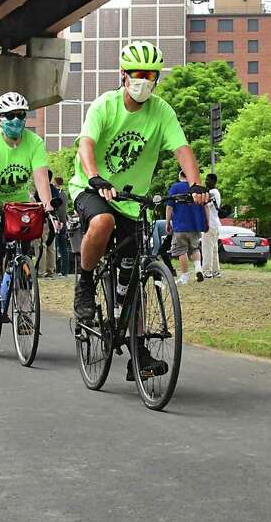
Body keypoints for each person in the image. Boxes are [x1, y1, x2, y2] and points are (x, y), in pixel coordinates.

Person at [69, 41, 206, 381]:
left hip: (133, 200)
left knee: (135, 278)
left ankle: (139, 352)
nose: (145, 81)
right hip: (92, 188)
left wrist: (196, 184)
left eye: (151, 75)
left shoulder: (161, 111)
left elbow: (182, 149)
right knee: (102, 220)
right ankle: (85, 281)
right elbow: (86, 144)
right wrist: (95, 176)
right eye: (138, 74)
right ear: (124, 75)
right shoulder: (106, 105)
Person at [0, 92, 56, 310]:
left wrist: (49, 209)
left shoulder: (34, 142)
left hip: (17, 203)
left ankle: (24, 309)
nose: (16, 120)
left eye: (21, 115)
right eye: (10, 115)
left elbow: (41, 178)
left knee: (24, 253)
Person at [166, 169, 207, 285]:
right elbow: (204, 206)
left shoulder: (175, 187)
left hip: (180, 224)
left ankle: (184, 277)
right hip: (194, 225)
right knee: (194, 248)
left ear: (180, 176)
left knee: (181, 250)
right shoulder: (197, 188)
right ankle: (198, 269)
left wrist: (167, 222)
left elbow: (169, 207)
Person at [201, 173, 222, 279]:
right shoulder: (216, 192)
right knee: (214, 249)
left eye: (208, 180)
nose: (206, 181)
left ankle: (207, 271)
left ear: (213, 181)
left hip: (209, 224)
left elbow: (204, 204)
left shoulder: (212, 193)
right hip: (215, 224)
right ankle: (216, 271)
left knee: (207, 249)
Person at [53, 176, 72, 276]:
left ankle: (61, 270)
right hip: (63, 222)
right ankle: (64, 270)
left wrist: (59, 221)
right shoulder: (64, 194)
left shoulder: (58, 195)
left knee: (59, 247)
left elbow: (60, 210)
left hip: (59, 223)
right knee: (62, 247)